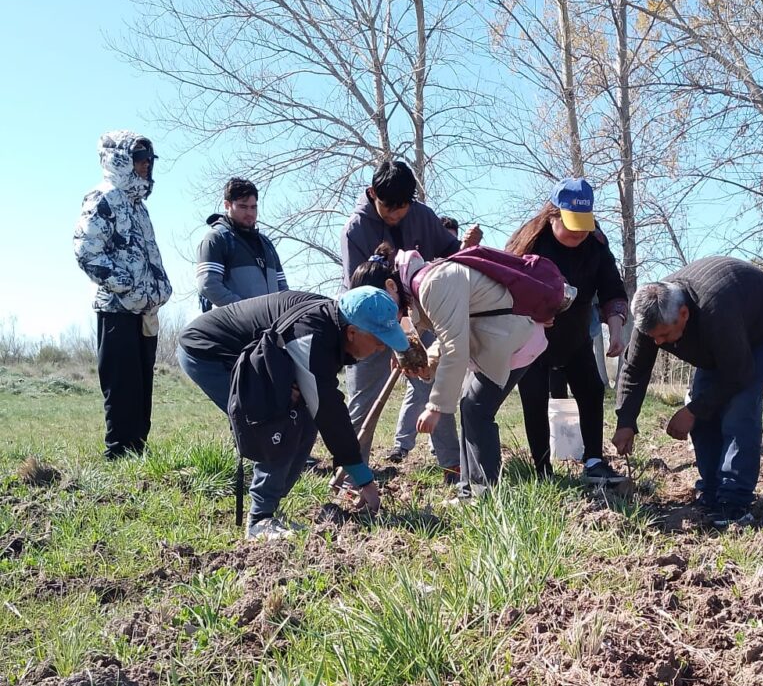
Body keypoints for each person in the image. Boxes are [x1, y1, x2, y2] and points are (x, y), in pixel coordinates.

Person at [177, 288, 406, 539]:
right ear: (352, 332)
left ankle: (270, 510)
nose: (381, 349)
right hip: (210, 353)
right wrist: (363, 478)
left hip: (247, 353)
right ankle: (260, 521)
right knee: (280, 418)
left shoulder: (334, 324)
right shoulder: (312, 335)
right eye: (379, 341)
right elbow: (329, 412)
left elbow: (319, 405)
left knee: (302, 410)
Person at [613, 257, 763, 526]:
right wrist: (625, 421)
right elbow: (634, 369)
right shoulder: (652, 320)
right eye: (653, 338)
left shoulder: (716, 309)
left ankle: (734, 502)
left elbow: (739, 373)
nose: (658, 343)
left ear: (683, 313)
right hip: (720, 343)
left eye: (664, 335)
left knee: (738, 408)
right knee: (705, 411)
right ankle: (711, 492)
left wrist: (692, 410)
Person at [341, 160, 481, 479]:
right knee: (363, 396)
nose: (396, 215)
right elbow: (358, 289)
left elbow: (450, 258)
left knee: (431, 382)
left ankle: (451, 464)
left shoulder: (423, 216)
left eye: (403, 207)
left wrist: (465, 247)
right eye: (390, 207)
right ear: (372, 192)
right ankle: (353, 468)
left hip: (421, 316)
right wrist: (392, 334)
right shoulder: (356, 229)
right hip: (368, 324)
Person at [392, 249, 543, 499]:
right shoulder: (430, 280)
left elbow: (455, 347)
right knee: (470, 408)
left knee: (476, 410)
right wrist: (429, 362)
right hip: (502, 341)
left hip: (513, 340)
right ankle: (468, 491)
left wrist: (435, 407)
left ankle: (485, 494)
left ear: (392, 284)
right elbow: (454, 332)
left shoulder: (434, 282)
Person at [506, 177, 629, 484]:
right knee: (534, 397)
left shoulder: (596, 243)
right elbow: (505, 288)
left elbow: (612, 287)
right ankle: (542, 470)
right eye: (571, 224)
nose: (578, 233)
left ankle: (594, 460)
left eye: (583, 224)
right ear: (553, 215)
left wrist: (616, 328)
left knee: (592, 389)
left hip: (575, 336)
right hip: (532, 338)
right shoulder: (530, 243)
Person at [74, 131, 172, 459]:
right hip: (115, 310)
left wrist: (158, 290)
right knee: (121, 388)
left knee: (142, 388)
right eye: (139, 158)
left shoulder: (138, 206)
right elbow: (87, 252)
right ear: (121, 159)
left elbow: (149, 256)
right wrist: (128, 286)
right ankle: (118, 458)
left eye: (149, 159)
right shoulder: (103, 197)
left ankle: (137, 456)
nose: (146, 165)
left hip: (144, 312)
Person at [196, 177, 288, 310]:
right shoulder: (216, 239)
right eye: (243, 207)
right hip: (232, 328)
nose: (250, 213)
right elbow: (208, 285)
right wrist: (248, 313)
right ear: (227, 205)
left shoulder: (266, 245)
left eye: (253, 207)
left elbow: (282, 288)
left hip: (271, 327)